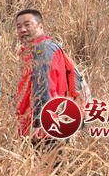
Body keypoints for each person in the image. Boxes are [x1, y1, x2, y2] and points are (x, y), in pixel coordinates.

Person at [15, 9, 69, 150]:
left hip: (44, 129)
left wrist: (39, 123)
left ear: (40, 26)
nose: (23, 30)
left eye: (27, 24)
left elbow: (44, 87)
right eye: (19, 26)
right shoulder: (40, 49)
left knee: (47, 163)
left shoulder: (42, 50)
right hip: (49, 126)